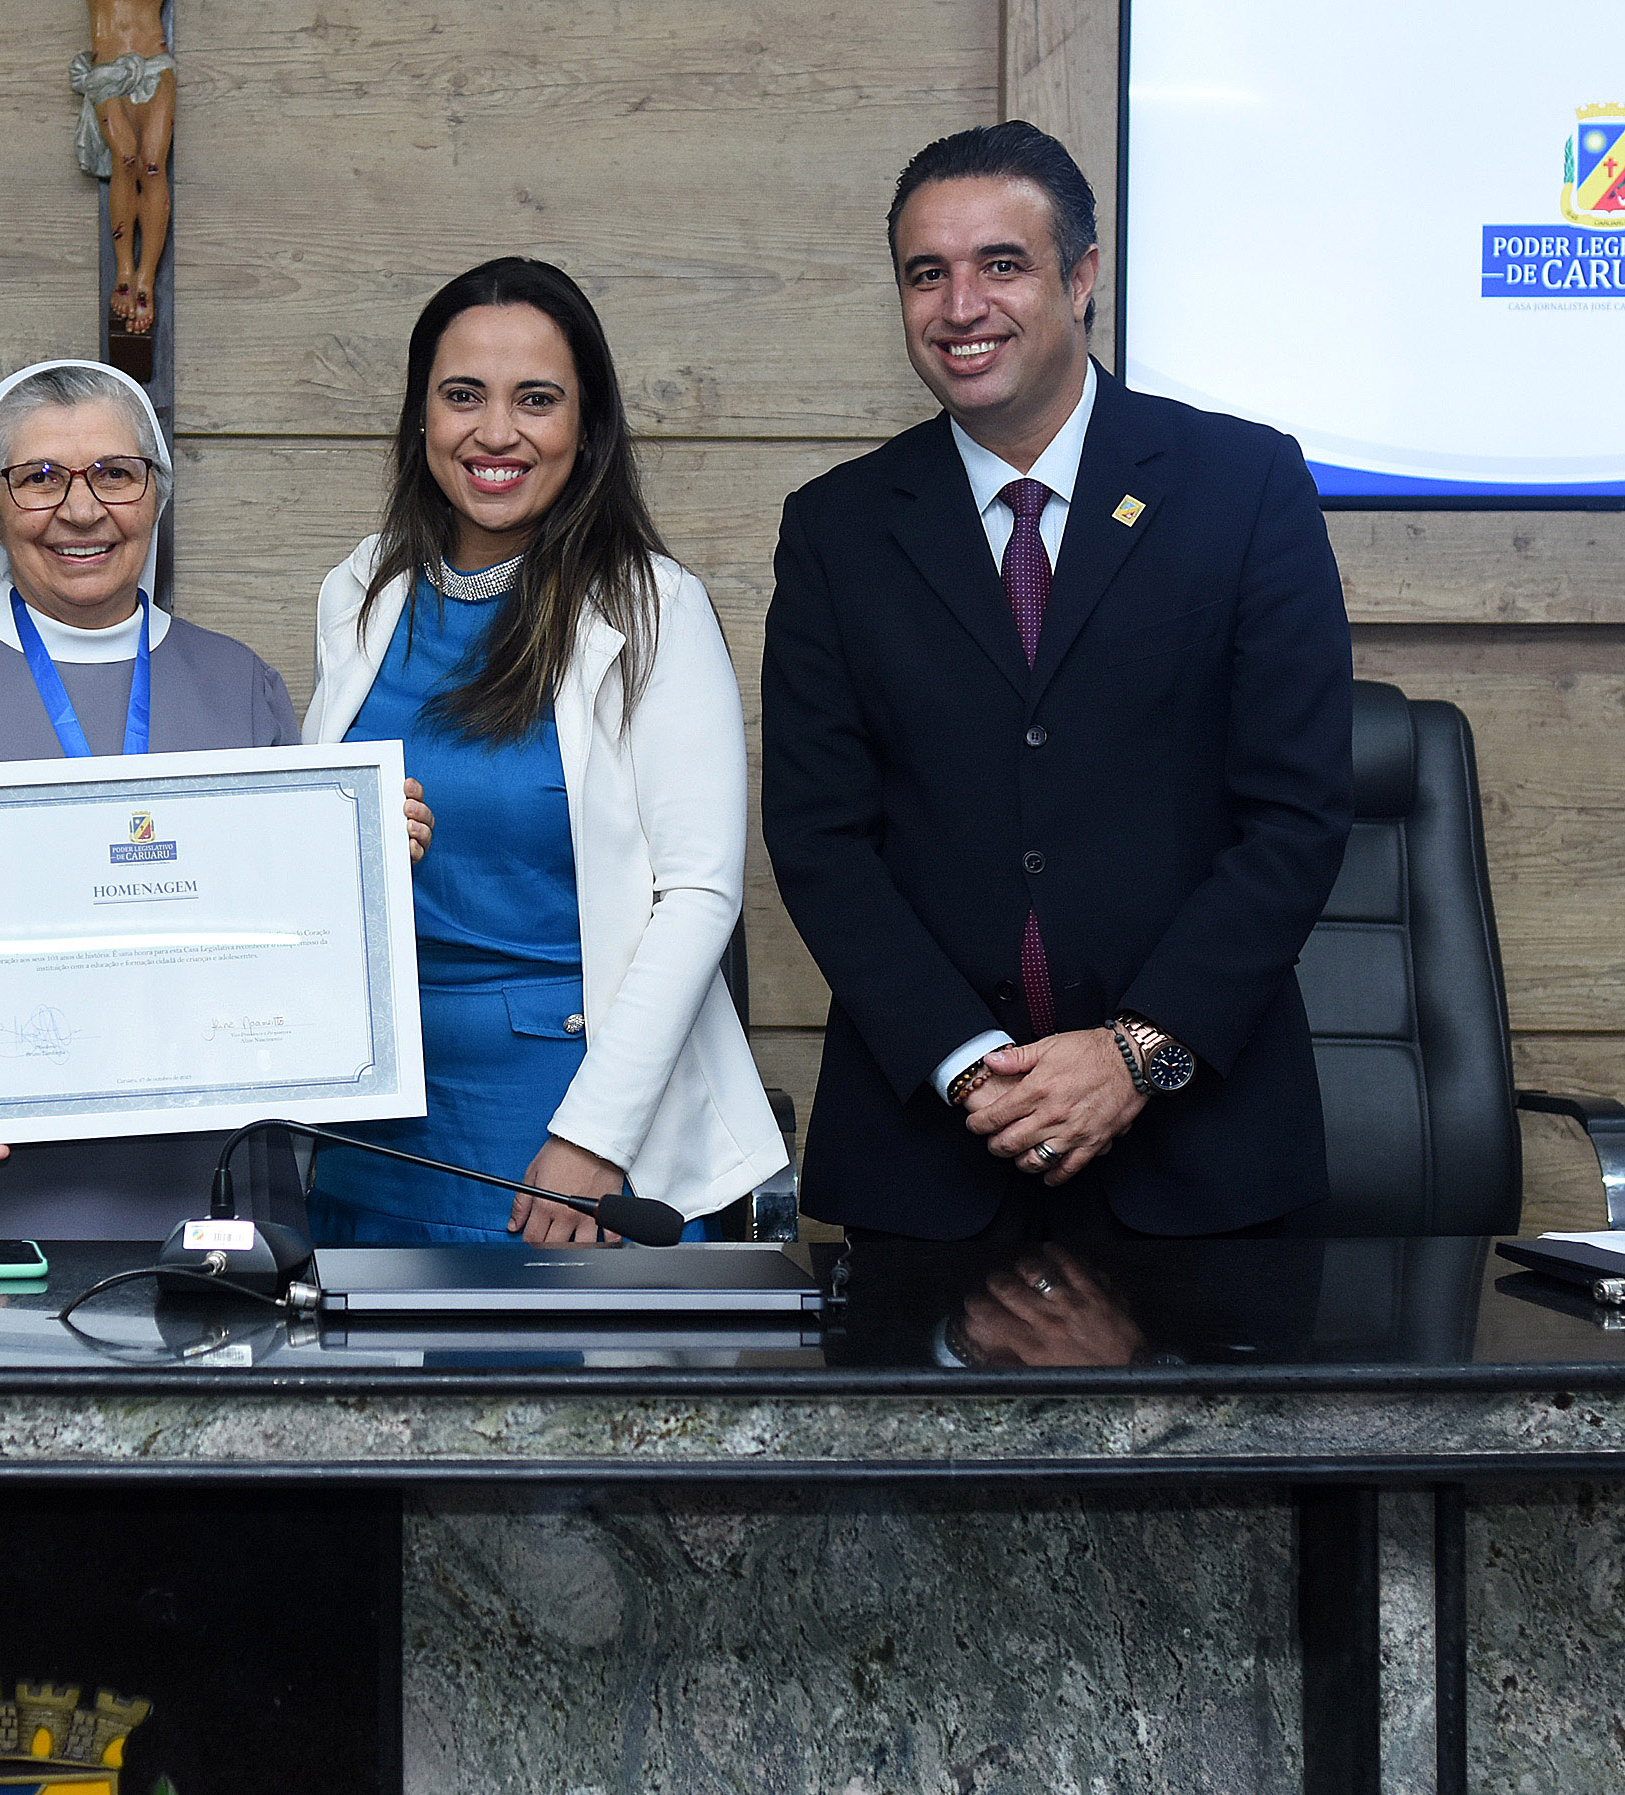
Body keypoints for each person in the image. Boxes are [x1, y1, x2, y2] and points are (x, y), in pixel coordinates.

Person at [760, 121, 1354, 1244]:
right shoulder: (836, 527)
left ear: (1080, 278)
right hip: (932, 1163)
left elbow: (1296, 814)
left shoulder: (1243, 486)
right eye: (924, 273)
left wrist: (1138, 1053)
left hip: (1203, 1159)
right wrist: (970, 1069)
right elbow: (818, 837)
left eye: (1001, 264)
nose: (959, 306)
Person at [0, 359, 368, 1239]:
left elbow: (286, 931)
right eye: (38, 478)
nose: (81, 509)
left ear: (157, 493)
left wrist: (359, 858)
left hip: (205, 1161)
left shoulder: (240, 683)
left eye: (115, 473)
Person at [304, 258, 788, 1245]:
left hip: (566, 1119)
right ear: (420, 417)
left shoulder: (654, 609)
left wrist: (595, 1135)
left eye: (536, 400)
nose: (494, 433)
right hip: (374, 1124)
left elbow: (699, 893)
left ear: (588, 423)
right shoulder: (359, 589)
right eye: (461, 396)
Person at [71, 0, 175, 333]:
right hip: (109, 71)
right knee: (126, 159)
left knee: (154, 165)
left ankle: (146, 277)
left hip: (154, 65)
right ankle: (125, 272)